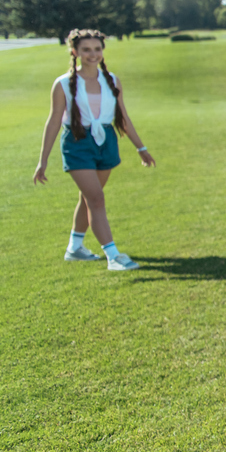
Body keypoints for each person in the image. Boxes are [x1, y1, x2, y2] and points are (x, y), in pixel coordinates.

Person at [32, 28, 156, 271]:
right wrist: (42, 160)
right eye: (86, 50)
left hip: (106, 142)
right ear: (75, 52)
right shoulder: (62, 85)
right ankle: (113, 256)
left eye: (97, 49)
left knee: (89, 197)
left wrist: (140, 147)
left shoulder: (112, 81)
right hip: (77, 143)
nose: (92, 54)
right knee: (96, 198)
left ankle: (75, 248)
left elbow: (123, 118)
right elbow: (54, 121)